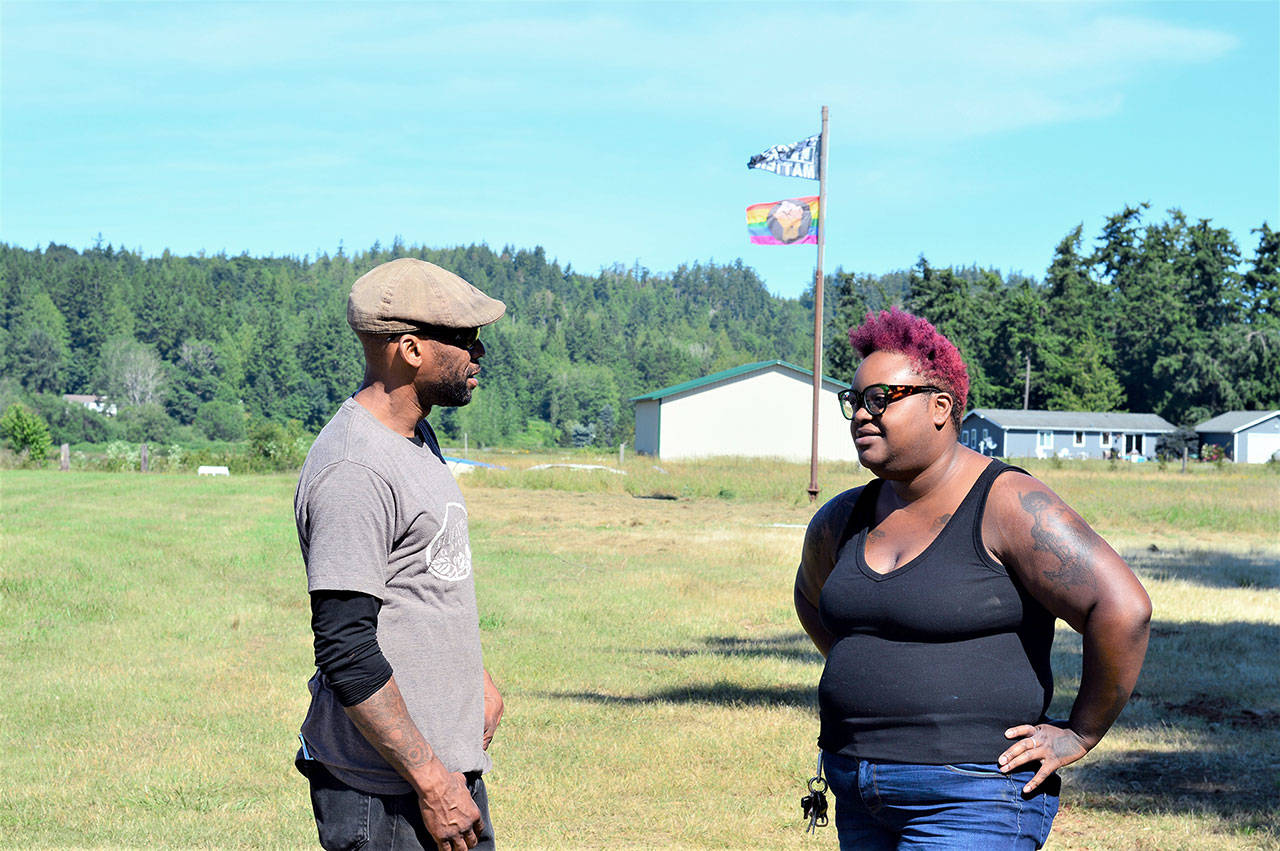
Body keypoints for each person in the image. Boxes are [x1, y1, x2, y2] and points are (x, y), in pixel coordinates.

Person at [794, 307, 1151, 850]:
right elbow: (812, 599)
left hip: (971, 798)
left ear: (940, 406)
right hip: (856, 786)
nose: (861, 415)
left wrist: (1080, 732)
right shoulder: (842, 517)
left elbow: (1123, 608)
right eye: (854, 401)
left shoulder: (1008, 504)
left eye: (880, 398)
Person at [294, 257, 507, 851]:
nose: (479, 355)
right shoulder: (353, 468)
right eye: (465, 340)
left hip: (439, 776)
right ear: (410, 350)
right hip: (388, 796)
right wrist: (432, 783)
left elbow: (421, 582)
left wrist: (474, 678)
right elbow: (346, 646)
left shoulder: (415, 437)